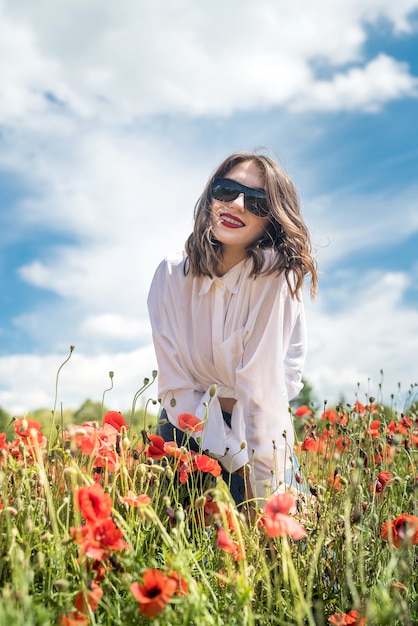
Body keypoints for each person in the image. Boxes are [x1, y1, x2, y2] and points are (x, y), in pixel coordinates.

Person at [147, 151, 318, 508]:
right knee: (181, 543)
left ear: (272, 221)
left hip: (259, 426)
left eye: (257, 202)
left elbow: (264, 392)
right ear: (211, 197)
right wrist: (230, 459)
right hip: (187, 425)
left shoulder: (277, 279)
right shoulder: (170, 276)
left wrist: (262, 488)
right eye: (226, 190)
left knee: (285, 542)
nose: (237, 204)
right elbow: (178, 387)